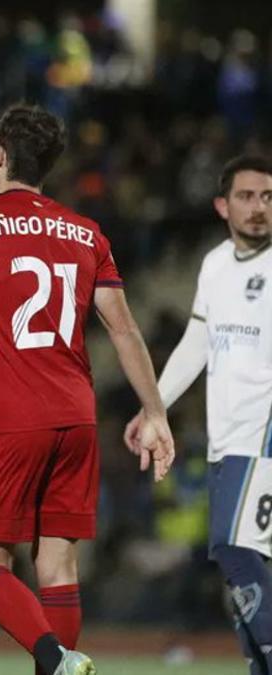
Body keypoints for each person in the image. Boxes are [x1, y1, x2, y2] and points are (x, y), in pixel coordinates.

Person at [0, 103, 174, 675]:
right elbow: (123, 327)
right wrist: (155, 411)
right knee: (58, 563)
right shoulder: (86, 232)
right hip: (76, 415)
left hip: (8, 416)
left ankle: (55, 658)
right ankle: (62, 662)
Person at [123, 155, 272, 674]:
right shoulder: (214, 265)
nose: (258, 208)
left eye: (268, 197)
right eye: (247, 197)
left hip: (264, 438)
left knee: (233, 551)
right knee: (244, 569)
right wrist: (153, 406)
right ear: (221, 205)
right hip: (227, 440)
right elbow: (197, 342)